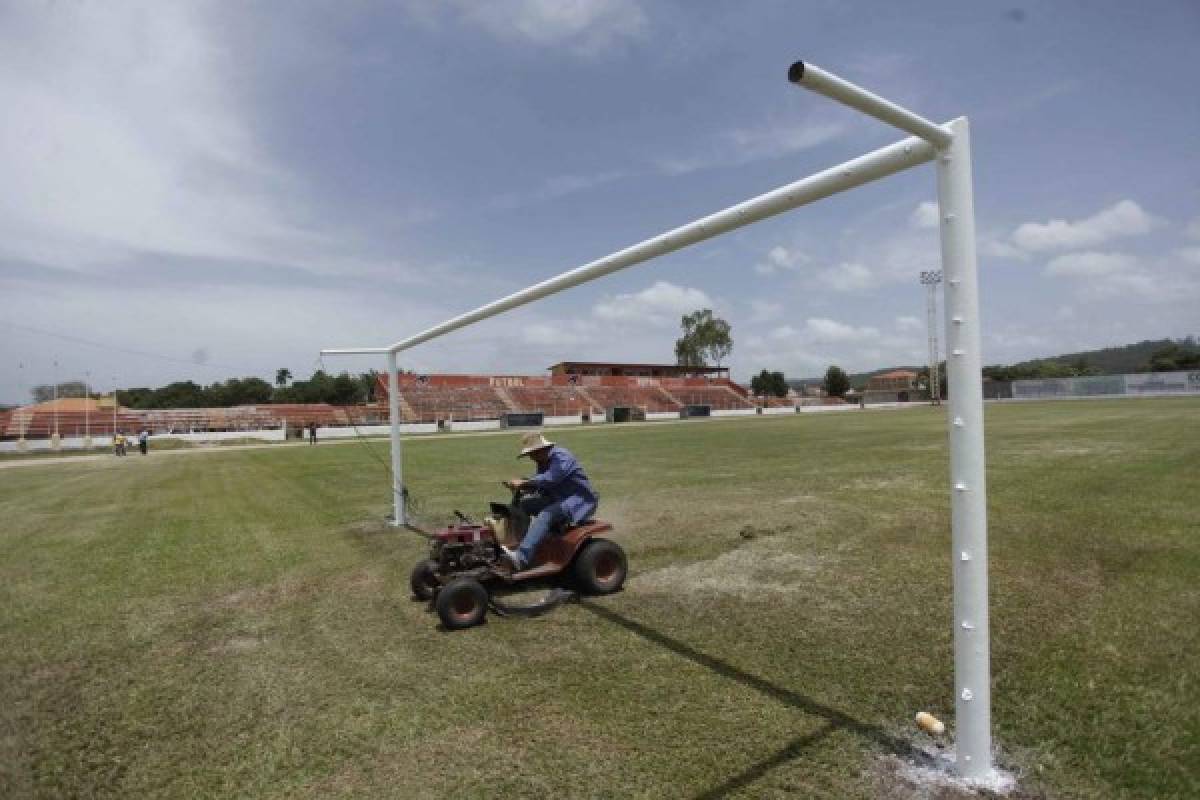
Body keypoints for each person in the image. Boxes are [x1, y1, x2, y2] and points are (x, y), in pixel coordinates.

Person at [500, 432, 598, 572]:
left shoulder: (561, 456)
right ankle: (519, 544)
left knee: (546, 515)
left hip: (578, 500)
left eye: (532, 454)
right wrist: (525, 487)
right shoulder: (543, 461)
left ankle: (521, 558)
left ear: (540, 449)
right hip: (558, 498)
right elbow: (542, 484)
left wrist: (525, 482)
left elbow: (551, 478)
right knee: (523, 505)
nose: (531, 458)